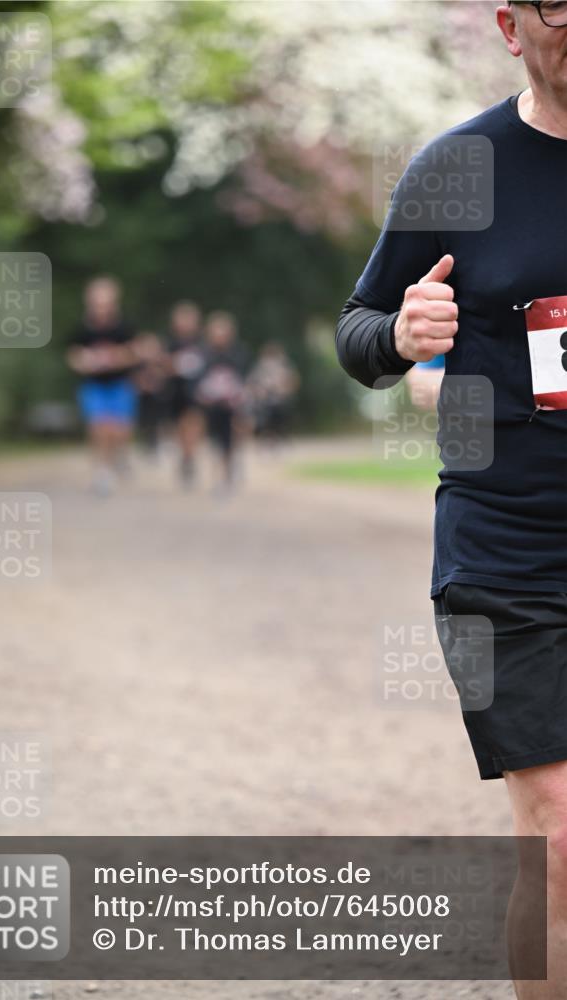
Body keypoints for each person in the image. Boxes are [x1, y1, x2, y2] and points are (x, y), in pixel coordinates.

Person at [335, 3, 566, 996]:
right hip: (508, 551)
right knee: (558, 835)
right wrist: (400, 334)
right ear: (511, 26)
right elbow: (356, 327)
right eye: (555, 1)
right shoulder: (458, 169)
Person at [66, 276, 139, 496]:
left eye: (105, 302)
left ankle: (117, 456)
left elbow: (135, 353)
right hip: (94, 385)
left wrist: (115, 358)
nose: (101, 307)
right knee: (98, 428)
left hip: (120, 384)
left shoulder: (124, 327)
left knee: (119, 431)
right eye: (97, 302)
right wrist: (84, 362)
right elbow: (73, 356)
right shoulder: (83, 328)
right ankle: (102, 473)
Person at [195, 310, 249, 494]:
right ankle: (218, 477)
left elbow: (243, 379)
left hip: (232, 406)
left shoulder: (238, 353)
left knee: (230, 439)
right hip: (211, 406)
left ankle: (227, 472)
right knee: (214, 442)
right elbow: (196, 380)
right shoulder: (203, 354)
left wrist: (237, 395)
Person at [165, 301, 208, 487]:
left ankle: (190, 456)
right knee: (179, 426)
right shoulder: (170, 343)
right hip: (175, 390)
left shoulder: (203, 343)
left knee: (194, 422)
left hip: (196, 391)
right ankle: (185, 454)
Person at [246, 341, 300, 443]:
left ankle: (277, 433)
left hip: (280, 399)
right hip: (263, 399)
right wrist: (259, 392)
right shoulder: (259, 368)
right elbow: (251, 384)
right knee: (261, 411)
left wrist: (283, 390)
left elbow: (292, 382)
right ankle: (265, 434)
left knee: (279, 409)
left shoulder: (285, 367)